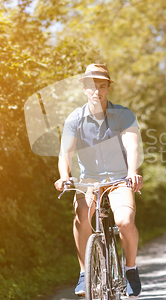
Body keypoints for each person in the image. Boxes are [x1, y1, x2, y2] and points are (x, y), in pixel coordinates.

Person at [54, 64, 143, 297]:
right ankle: (84, 272)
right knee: (82, 214)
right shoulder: (74, 119)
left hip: (118, 179)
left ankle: (130, 269)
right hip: (89, 180)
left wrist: (132, 171)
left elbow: (132, 145)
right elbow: (65, 153)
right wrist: (64, 176)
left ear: (108, 88)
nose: (97, 91)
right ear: (84, 89)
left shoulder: (124, 115)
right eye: (92, 86)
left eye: (102, 86)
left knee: (124, 221)